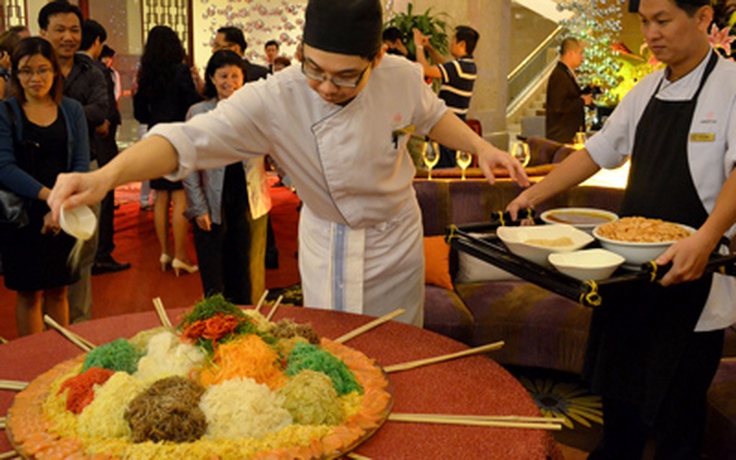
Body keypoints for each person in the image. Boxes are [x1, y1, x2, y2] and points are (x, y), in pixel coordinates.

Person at [48, 0, 528, 326]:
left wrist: (481, 148)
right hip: (327, 236)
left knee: (399, 345)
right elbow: (186, 141)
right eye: (313, 67)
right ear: (300, 52)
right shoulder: (275, 98)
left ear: (377, 59)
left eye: (345, 77)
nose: (324, 86)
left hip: (393, 238)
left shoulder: (400, 76)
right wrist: (106, 176)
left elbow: (434, 115)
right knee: (333, 351)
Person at [506, 0, 736, 457]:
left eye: (663, 21)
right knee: (619, 407)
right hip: (629, 279)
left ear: (704, 17)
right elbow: (597, 152)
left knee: (677, 416)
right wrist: (533, 194)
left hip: (692, 277)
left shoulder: (731, 87)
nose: (651, 33)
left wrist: (706, 238)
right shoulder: (646, 91)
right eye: (646, 22)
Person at [0, 37, 89, 336]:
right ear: (15, 73)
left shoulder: (72, 110)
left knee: (59, 290)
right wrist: (52, 199)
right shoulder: (5, 111)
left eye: (43, 70)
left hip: (64, 212)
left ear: (55, 71)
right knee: (28, 293)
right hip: (22, 216)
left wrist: (60, 207)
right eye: (26, 71)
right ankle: (34, 364)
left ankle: (59, 362)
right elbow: (4, 167)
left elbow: (80, 162)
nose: (35, 78)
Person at [39, 0, 109, 324]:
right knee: (43, 255)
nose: (68, 37)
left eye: (74, 30)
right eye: (60, 30)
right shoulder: (35, 70)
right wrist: (79, 115)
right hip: (41, 174)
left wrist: (58, 113)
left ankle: (80, 325)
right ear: (43, 32)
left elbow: (101, 110)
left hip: (86, 168)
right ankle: (45, 332)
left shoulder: (92, 71)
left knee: (82, 251)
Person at [183, 50, 271, 305]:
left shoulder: (255, 111)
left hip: (250, 199)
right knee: (215, 274)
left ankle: (250, 327)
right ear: (211, 77)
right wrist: (197, 206)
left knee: (249, 271)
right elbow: (189, 164)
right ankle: (217, 329)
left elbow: (275, 149)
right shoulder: (198, 113)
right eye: (223, 76)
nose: (229, 82)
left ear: (244, 78)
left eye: (235, 75)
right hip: (212, 200)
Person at [133, 25, 201, 276]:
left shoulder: (146, 74)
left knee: (160, 197)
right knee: (180, 196)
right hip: (178, 137)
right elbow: (191, 104)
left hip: (155, 136)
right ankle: (181, 256)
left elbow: (140, 112)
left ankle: (165, 252)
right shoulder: (180, 71)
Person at [79, 20, 129, 276]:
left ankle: (90, 252)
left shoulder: (69, 68)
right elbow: (104, 113)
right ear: (97, 42)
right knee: (103, 197)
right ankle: (101, 253)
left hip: (80, 146)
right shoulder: (98, 70)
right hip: (98, 144)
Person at [413, 25, 479, 168]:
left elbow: (425, 70)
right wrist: (429, 47)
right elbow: (444, 66)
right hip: (454, 124)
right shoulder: (466, 65)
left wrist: (419, 47)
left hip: (447, 126)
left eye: (453, 40)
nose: (450, 43)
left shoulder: (460, 67)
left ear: (462, 44)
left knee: (441, 169)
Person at [545, 37, 595, 144]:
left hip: (569, 135)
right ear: (571, 54)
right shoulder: (559, 75)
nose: (582, 58)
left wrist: (587, 90)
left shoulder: (566, 73)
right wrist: (582, 101)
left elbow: (571, 96)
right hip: (562, 137)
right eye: (580, 53)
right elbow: (559, 106)